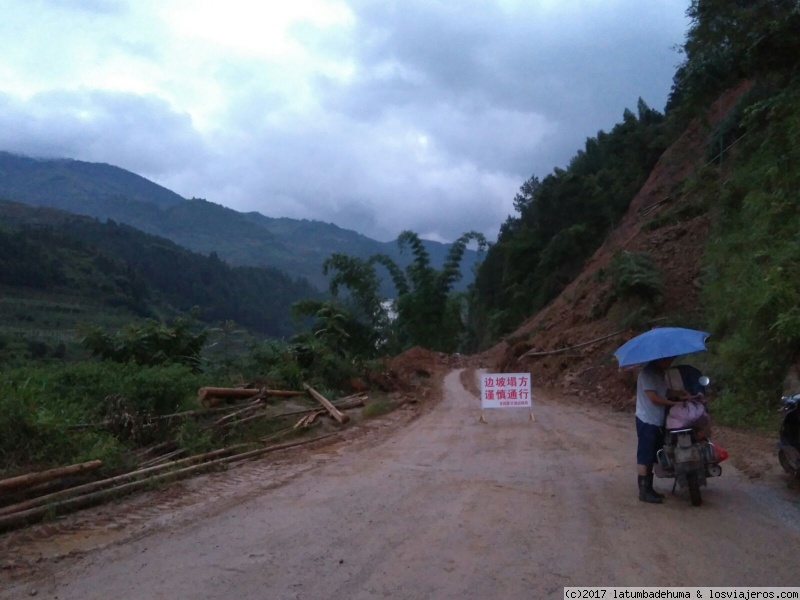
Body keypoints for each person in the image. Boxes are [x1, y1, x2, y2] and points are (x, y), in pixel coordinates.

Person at [636, 357, 687, 504]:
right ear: (660, 359)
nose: (669, 363)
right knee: (645, 455)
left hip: (657, 419)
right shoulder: (647, 373)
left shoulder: (659, 373)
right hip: (646, 419)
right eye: (668, 360)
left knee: (653, 454)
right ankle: (643, 491)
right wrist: (674, 403)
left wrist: (679, 393)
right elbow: (654, 398)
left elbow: (663, 392)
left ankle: (649, 488)